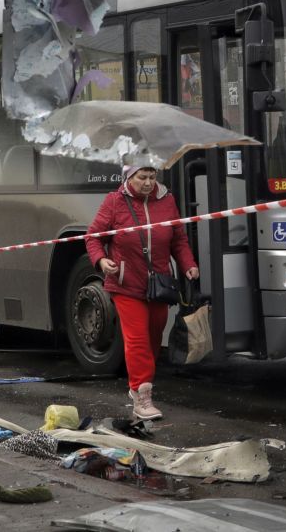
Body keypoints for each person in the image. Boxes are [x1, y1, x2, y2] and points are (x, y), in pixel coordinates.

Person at [86, 164, 199, 420]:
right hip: (125, 283)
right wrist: (102, 262)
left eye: (152, 177)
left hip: (158, 285)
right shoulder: (114, 202)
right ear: (129, 177)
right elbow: (93, 237)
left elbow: (178, 240)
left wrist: (189, 264)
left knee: (152, 337)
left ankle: (137, 385)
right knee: (136, 339)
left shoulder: (167, 200)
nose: (148, 182)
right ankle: (142, 396)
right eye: (142, 177)